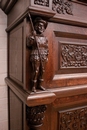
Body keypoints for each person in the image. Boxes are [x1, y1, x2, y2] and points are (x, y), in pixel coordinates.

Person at [27, 17, 49, 92]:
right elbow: (29, 45)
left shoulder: (45, 38)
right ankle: (33, 86)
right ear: (35, 27)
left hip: (43, 55)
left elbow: (46, 48)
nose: (40, 27)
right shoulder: (33, 36)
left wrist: (46, 55)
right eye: (38, 25)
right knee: (36, 71)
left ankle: (40, 85)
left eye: (41, 26)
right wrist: (33, 37)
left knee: (42, 70)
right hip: (35, 54)